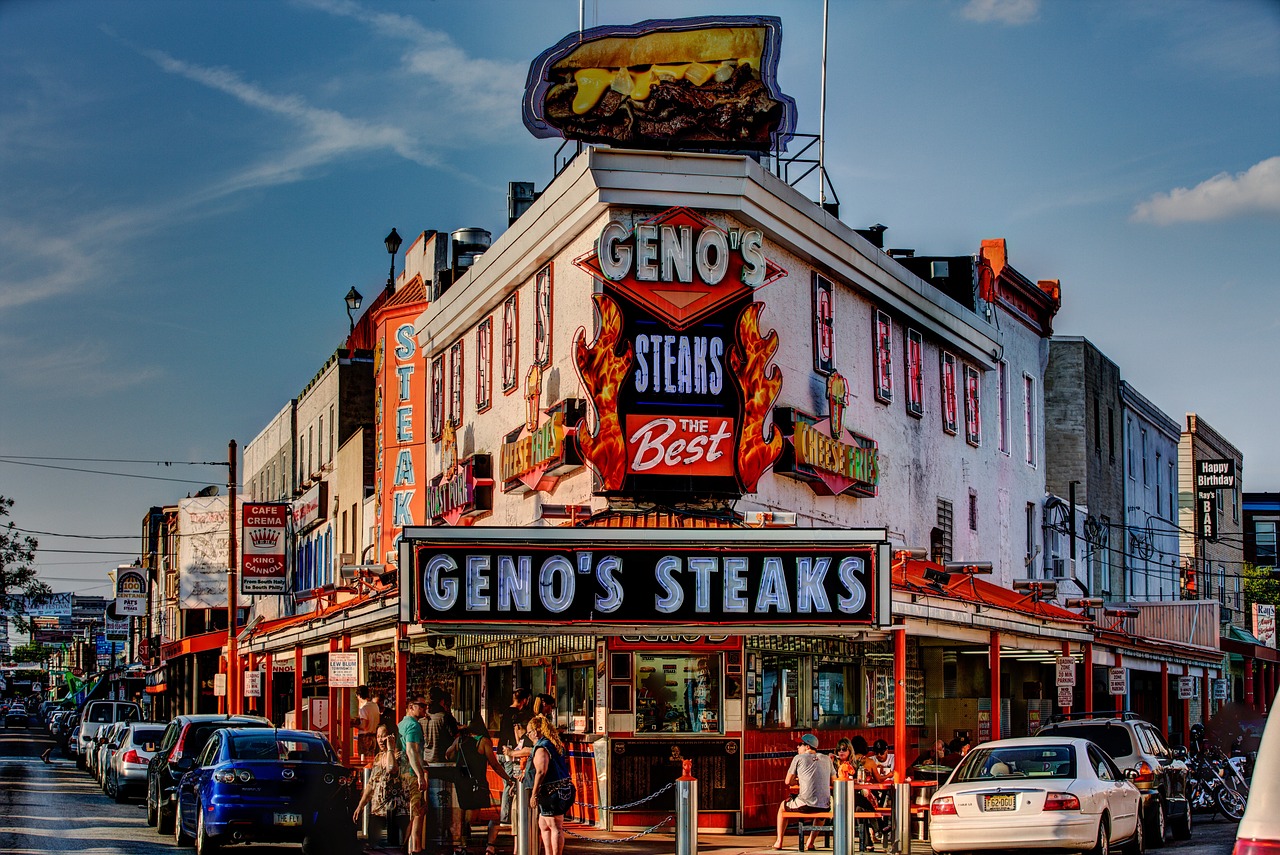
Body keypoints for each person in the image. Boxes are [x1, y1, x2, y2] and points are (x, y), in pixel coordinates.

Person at [449, 716, 515, 855]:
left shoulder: (460, 740)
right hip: (477, 781)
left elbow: (448, 755)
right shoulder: (483, 742)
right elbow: (494, 764)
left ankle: (462, 844)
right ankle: (465, 842)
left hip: (461, 779)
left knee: (463, 809)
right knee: (472, 812)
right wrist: (508, 779)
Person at [772, 733, 833, 850]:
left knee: (782, 807)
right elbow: (834, 781)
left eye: (800, 745)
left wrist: (798, 781)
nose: (797, 747)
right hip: (824, 805)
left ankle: (779, 841)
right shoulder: (826, 759)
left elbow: (788, 781)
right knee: (821, 814)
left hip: (805, 804)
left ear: (808, 747)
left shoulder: (798, 758)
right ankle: (810, 842)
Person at [422, 687, 462, 853]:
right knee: (446, 804)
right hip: (445, 766)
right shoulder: (445, 718)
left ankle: (429, 835)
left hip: (427, 766)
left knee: (429, 805)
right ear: (442, 702)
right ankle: (448, 835)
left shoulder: (422, 720)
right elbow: (457, 737)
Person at [528, 714, 573, 855]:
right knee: (544, 823)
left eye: (529, 732)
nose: (528, 735)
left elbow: (541, 771)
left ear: (536, 731)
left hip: (552, 791)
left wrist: (534, 794)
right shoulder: (554, 744)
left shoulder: (542, 747)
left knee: (555, 826)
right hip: (564, 788)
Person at [353, 724, 406, 828]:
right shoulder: (378, 757)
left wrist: (390, 749)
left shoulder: (400, 756)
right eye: (378, 736)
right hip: (377, 811)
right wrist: (361, 805)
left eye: (383, 736)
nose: (380, 740)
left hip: (395, 812)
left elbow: (391, 769)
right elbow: (371, 783)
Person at [398, 699, 429, 855]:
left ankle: (409, 846)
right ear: (411, 707)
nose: (425, 708)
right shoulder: (413, 726)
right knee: (417, 811)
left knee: (416, 810)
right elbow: (411, 751)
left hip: (403, 773)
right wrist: (419, 775)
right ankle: (414, 847)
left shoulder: (402, 723)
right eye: (421, 706)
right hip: (411, 774)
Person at [358, 685, 381, 757]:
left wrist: (352, 725)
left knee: (363, 758)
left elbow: (364, 725)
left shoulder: (364, 708)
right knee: (372, 757)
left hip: (365, 737)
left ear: (358, 695)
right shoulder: (375, 706)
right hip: (374, 735)